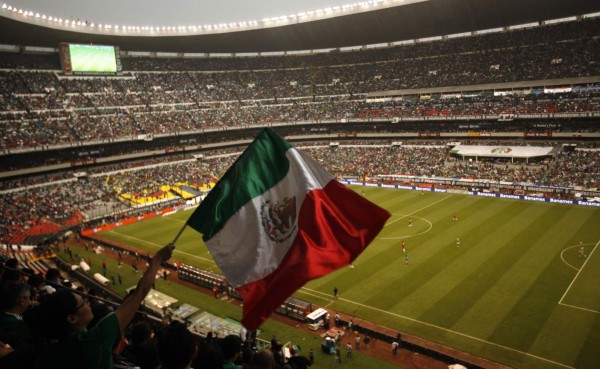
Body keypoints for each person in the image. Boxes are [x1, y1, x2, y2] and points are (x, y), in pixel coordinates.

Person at [32, 243, 174, 369]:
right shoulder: (96, 339)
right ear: (72, 318)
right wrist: (158, 258)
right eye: (83, 303)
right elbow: (140, 293)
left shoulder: (46, 355)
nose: (88, 303)